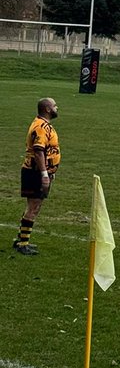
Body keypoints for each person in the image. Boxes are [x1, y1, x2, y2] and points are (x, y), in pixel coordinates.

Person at [14, 97, 61, 256]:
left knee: (33, 206)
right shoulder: (41, 127)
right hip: (35, 171)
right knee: (33, 207)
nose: (57, 108)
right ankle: (23, 243)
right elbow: (39, 151)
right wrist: (44, 175)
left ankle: (20, 239)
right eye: (54, 106)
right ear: (47, 109)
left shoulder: (43, 125)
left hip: (37, 171)